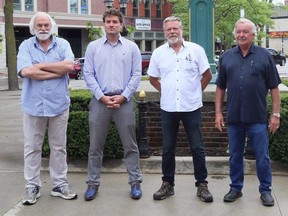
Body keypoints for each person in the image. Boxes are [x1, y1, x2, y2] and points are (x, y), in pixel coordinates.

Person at [215, 18, 281, 207]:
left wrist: (275, 114)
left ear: (253, 34)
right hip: (234, 117)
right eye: (239, 32)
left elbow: (274, 87)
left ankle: (265, 190)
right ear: (235, 34)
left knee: (262, 156)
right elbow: (220, 87)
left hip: (257, 118)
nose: (241, 35)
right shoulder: (227, 56)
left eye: (245, 32)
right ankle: (236, 187)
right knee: (235, 155)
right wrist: (218, 113)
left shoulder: (264, 56)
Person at [148, 16, 213, 202]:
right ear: (164, 31)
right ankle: (168, 184)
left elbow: (207, 74)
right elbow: (153, 78)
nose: (172, 32)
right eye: (169, 29)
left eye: (175, 28)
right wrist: (165, 90)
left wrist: (196, 92)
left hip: (192, 107)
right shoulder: (159, 53)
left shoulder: (196, 50)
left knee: (197, 147)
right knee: (168, 148)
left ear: (181, 29)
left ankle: (202, 185)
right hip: (168, 108)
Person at [17, 12, 78, 205]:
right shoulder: (26, 45)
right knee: (32, 148)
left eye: (46, 25)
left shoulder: (63, 45)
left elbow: (68, 67)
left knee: (59, 147)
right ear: (33, 28)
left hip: (58, 105)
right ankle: (31, 186)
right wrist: (55, 71)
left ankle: (59, 185)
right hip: (33, 106)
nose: (43, 28)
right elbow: (26, 71)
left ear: (51, 26)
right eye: (39, 25)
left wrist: (40, 67)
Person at [83, 8, 142, 201]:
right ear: (104, 24)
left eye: (115, 21)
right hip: (100, 102)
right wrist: (101, 96)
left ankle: (135, 183)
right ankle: (92, 184)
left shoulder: (132, 47)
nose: (111, 24)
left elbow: (136, 75)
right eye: (108, 21)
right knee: (95, 146)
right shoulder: (93, 47)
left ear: (121, 24)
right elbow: (88, 74)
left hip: (123, 102)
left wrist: (124, 96)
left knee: (130, 145)